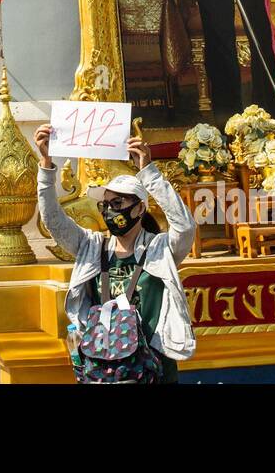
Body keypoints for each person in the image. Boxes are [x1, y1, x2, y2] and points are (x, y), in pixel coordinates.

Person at [34, 124, 195, 383]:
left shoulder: (159, 249)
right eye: (106, 204)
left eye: (118, 203)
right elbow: (53, 220)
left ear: (140, 209)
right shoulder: (92, 247)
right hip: (104, 371)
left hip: (154, 370)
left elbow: (185, 226)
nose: (110, 211)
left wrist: (149, 173)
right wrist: (46, 164)